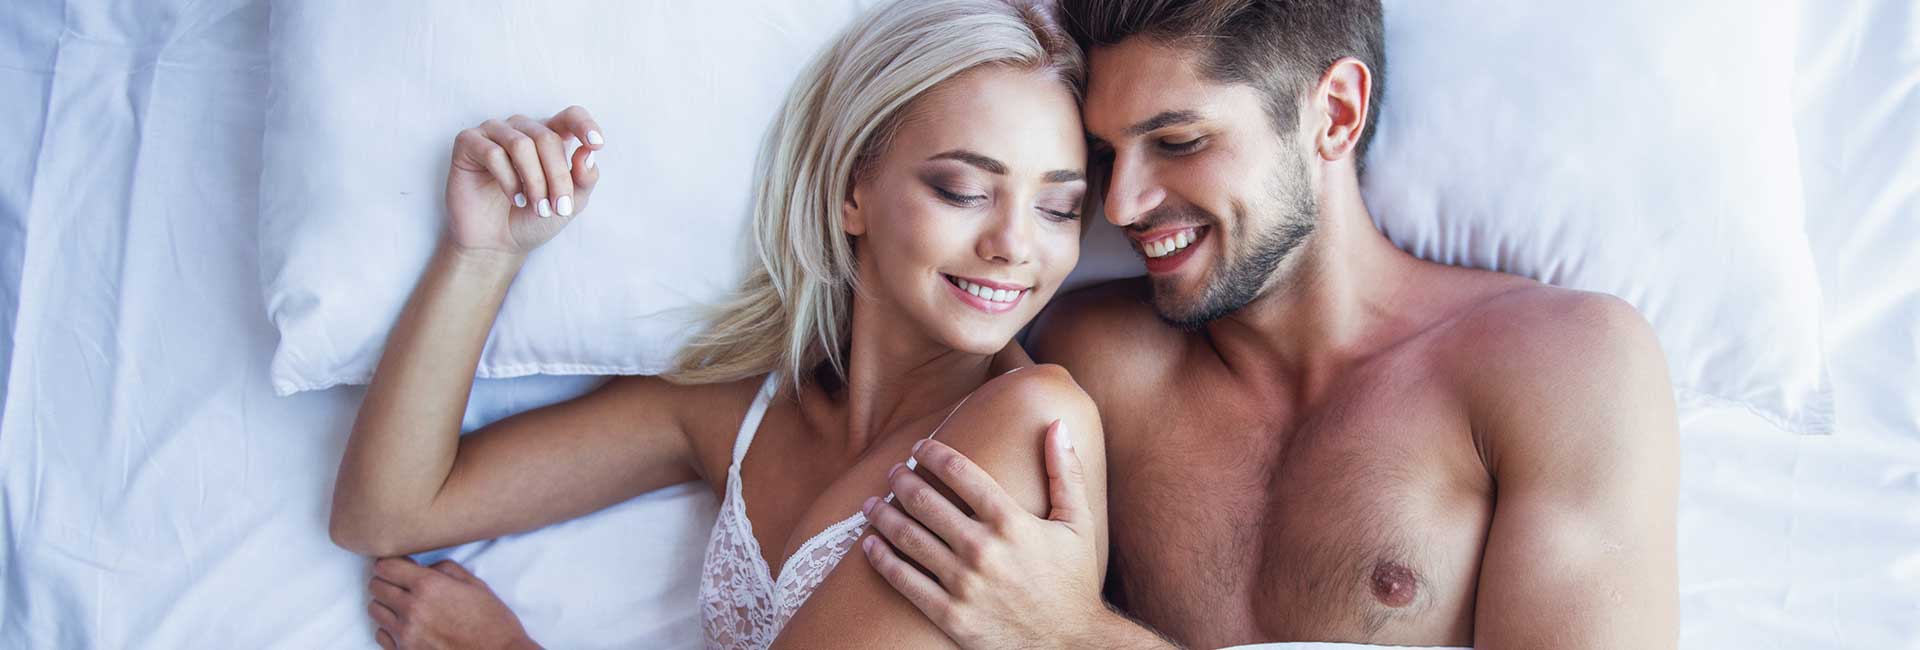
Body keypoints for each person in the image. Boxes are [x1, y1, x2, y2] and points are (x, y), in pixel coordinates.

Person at [860, 1, 1683, 648]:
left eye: (1179, 141)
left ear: (1334, 113)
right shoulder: (1082, 361)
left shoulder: (1558, 366)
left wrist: (1074, 634)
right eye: (1107, 155)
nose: (1121, 206)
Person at [324, 1, 1109, 648]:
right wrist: (482, 252)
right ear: (852, 193)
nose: (1015, 245)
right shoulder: (740, 409)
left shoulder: (1036, 425)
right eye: (966, 190)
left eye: (1058, 208)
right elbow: (388, 512)